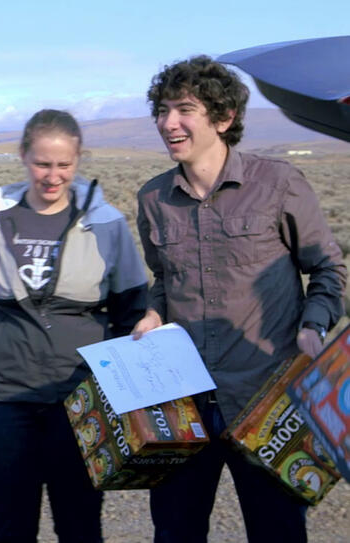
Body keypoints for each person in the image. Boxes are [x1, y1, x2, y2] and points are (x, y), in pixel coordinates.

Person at [133, 55, 347, 543]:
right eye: (162, 111)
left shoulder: (279, 184)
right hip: (184, 404)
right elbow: (164, 279)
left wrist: (313, 327)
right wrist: (151, 312)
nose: (168, 123)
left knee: (277, 532)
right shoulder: (153, 199)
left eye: (184, 109)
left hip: (267, 399)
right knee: (174, 531)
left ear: (223, 118)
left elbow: (327, 269)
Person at [0, 109, 148, 542]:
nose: (53, 176)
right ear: (22, 156)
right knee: (11, 523)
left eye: (64, 165)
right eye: (42, 163)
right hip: (4, 396)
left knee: (81, 522)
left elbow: (131, 311)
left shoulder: (107, 223)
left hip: (81, 396)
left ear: (79, 160)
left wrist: (142, 394)